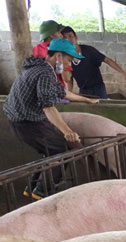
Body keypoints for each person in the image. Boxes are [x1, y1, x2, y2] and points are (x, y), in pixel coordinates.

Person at [3, 38, 98, 200]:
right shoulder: (45, 73)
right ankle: (43, 191)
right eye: (69, 59)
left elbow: (62, 92)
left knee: (50, 149)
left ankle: (32, 186)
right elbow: (48, 106)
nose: (69, 65)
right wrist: (68, 131)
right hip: (28, 122)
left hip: (19, 120)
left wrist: (86, 100)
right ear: (59, 56)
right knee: (63, 149)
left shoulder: (40, 68)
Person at [61, 26, 126, 99]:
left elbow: (107, 60)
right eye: (65, 38)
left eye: (70, 36)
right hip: (84, 91)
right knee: (87, 110)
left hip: (98, 88)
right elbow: (70, 79)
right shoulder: (66, 58)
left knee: (101, 108)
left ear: (76, 37)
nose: (68, 40)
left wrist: (124, 74)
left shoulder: (89, 51)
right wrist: (69, 93)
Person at [32, 19, 71, 89]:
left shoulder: (36, 49)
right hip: (55, 91)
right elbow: (67, 78)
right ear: (52, 35)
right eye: (59, 33)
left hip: (42, 89)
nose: (61, 36)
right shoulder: (62, 50)